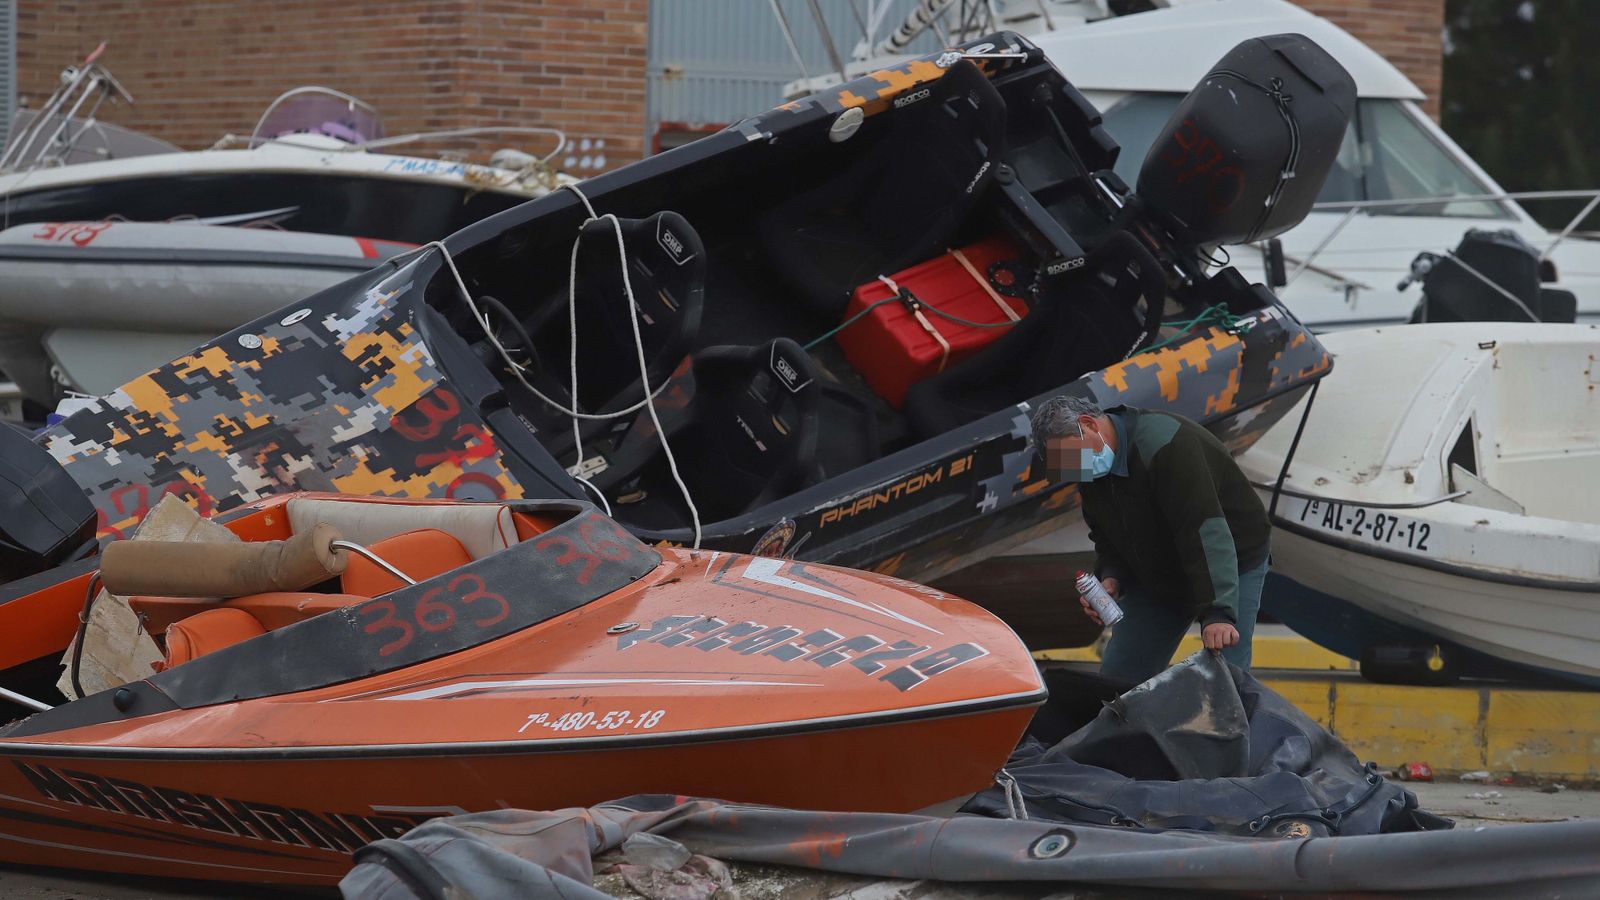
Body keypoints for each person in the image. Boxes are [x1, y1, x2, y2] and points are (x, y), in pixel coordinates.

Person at [1030, 394, 1271, 684]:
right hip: (1161, 570)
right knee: (1120, 678)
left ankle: (1234, 720)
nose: (1072, 470)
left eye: (1070, 458)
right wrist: (1111, 578)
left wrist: (1219, 612)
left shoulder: (1167, 445)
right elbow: (1107, 536)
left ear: (1088, 424)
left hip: (1230, 557)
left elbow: (1206, 531)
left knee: (1229, 679)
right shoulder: (1087, 469)